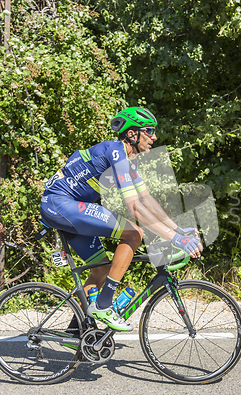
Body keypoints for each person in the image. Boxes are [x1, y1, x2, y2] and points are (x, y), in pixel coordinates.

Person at [40, 106, 202, 331]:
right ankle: (104, 305)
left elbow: (146, 200)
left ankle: (77, 329)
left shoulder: (127, 159)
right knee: (134, 233)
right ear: (131, 134)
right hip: (60, 204)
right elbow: (134, 207)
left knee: (101, 269)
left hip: (66, 208)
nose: (154, 137)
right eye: (148, 131)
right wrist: (175, 239)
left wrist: (178, 230)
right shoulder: (115, 151)